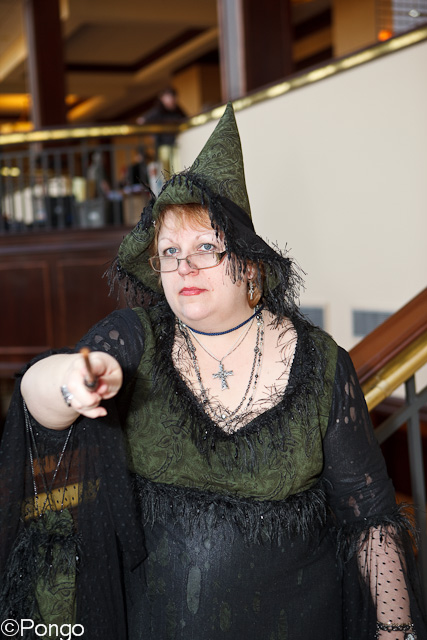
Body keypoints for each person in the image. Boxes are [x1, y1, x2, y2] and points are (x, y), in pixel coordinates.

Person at [0, 104, 425, 640]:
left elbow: (371, 519)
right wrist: (71, 381)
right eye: (169, 251)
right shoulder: (135, 337)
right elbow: (38, 400)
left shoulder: (320, 362)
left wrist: (395, 630)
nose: (185, 266)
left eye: (206, 247)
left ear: (249, 265)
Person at [136, 87, 186, 176]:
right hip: (163, 145)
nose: (171, 99)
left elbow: (186, 121)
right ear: (162, 99)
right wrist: (153, 135)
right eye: (168, 97)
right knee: (166, 171)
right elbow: (141, 121)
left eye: (172, 97)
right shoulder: (157, 111)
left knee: (178, 170)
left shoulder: (178, 110)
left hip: (176, 144)